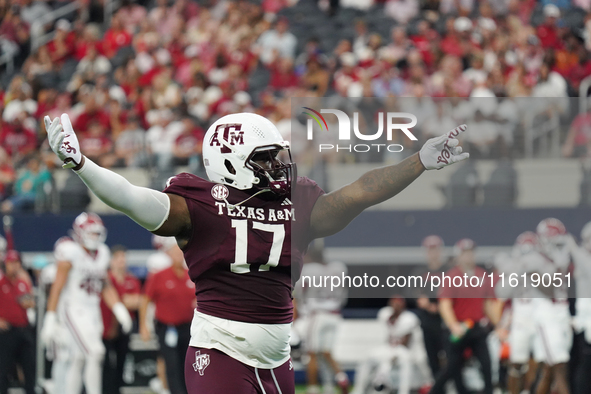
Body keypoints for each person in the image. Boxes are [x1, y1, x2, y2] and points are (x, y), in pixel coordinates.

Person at [44, 112, 469, 393]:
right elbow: (132, 198)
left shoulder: (298, 203)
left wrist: (417, 162)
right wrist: (82, 164)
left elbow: (357, 194)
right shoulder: (201, 205)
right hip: (221, 351)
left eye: (279, 156)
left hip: (276, 356)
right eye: (267, 158)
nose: (280, 166)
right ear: (230, 163)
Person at [40, 212, 133, 394]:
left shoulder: (103, 253)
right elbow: (57, 288)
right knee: (96, 352)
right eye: (91, 233)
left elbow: (105, 285)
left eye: (97, 233)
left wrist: (119, 309)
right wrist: (50, 318)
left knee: (79, 358)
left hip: (92, 311)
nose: (95, 237)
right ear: (79, 232)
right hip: (72, 309)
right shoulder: (70, 252)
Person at [430, 238, 503, 394]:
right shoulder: (452, 276)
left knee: (486, 364)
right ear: (459, 256)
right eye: (465, 253)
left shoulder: (482, 275)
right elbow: (445, 304)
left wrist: (498, 325)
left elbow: (488, 305)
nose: (469, 256)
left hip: (476, 327)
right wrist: (453, 325)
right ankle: (435, 391)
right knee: (452, 366)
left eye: (471, 253)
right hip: (459, 326)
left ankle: (488, 391)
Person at [139, 242, 195, 394]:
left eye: (180, 253)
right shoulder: (159, 275)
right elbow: (145, 299)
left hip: (187, 327)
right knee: (171, 362)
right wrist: (143, 326)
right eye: (175, 253)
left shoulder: (189, 274)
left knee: (187, 363)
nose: (178, 256)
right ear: (169, 255)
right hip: (166, 327)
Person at [351, 297, 432, 394]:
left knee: (403, 362)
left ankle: (403, 391)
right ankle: (359, 389)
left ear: (403, 305)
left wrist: (393, 354)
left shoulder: (409, 318)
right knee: (367, 357)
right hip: (390, 348)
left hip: (407, 350)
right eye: (393, 304)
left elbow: (405, 342)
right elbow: (387, 335)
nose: (395, 306)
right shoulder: (386, 314)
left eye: (397, 304)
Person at [297, 247, 349, 394]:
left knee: (311, 353)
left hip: (318, 315)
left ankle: (312, 388)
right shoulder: (338, 268)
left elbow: (300, 291)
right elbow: (344, 291)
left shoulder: (309, 269)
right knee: (326, 352)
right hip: (335, 314)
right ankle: (336, 381)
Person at [532, 218, 573, 394]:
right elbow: (546, 287)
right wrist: (557, 266)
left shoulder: (563, 261)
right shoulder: (534, 260)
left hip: (562, 314)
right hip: (546, 315)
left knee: (550, 369)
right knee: (559, 366)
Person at [100, 245, 141, 394]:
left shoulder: (132, 279)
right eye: (118, 257)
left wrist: (119, 302)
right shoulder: (106, 278)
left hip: (126, 326)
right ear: (111, 260)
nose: (121, 261)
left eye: (123, 257)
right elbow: (113, 300)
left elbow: (138, 301)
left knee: (121, 362)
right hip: (105, 327)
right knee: (106, 364)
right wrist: (122, 302)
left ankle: (117, 390)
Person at [0, 250, 36, 394]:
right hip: (7, 331)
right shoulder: (1, 282)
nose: (13, 266)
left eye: (16, 263)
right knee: (3, 368)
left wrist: (28, 299)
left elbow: (30, 303)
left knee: (29, 366)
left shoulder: (23, 282)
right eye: (10, 263)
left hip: (23, 329)